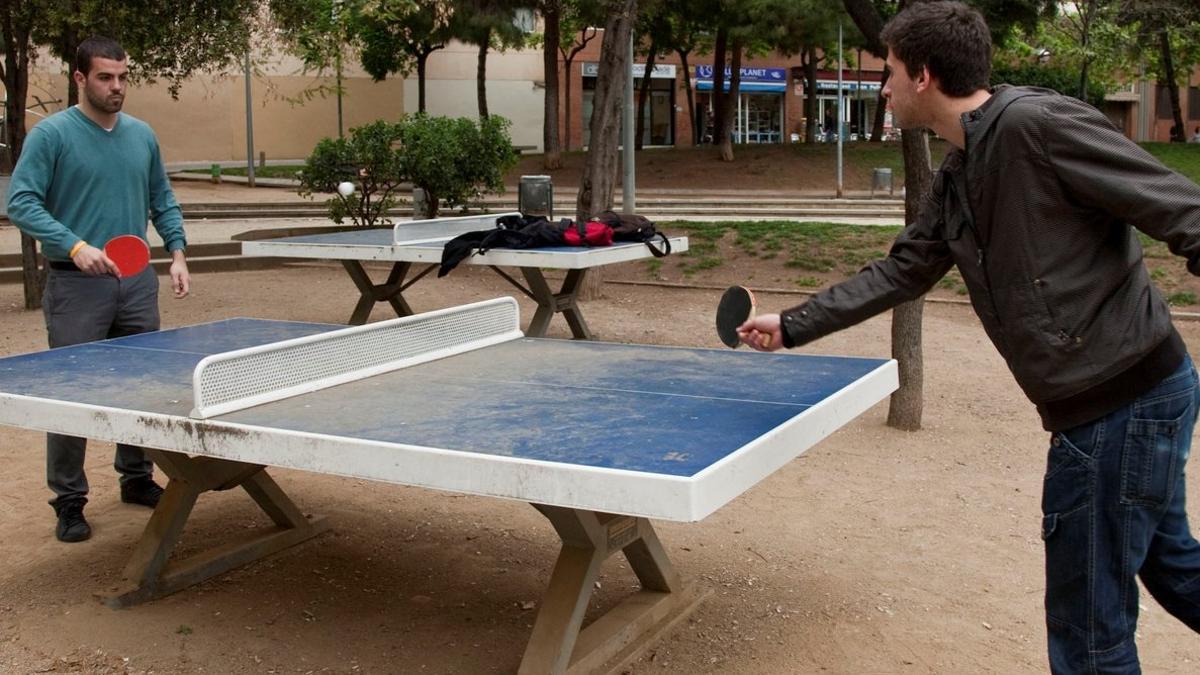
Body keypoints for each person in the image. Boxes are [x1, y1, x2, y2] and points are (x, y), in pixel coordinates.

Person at [738, 2, 1200, 672]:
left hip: (1117, 404)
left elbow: (1179, 206)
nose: (884, 87)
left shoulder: (1037, 125)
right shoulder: (958, 175)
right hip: (1120, 398)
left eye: (890, 72)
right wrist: (794, 323)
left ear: (923, 76)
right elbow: (905, 268)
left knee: (1088, 631)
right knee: (1173, 566)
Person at [6, 36, 190, 543]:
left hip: (135, 284)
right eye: (105, 77)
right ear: (80, 78)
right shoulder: (52, 135)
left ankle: (136, 477)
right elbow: (20, 202)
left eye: (123, 77)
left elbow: (162, 198)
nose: (117, 87)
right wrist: (75, 244)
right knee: (72, 394)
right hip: (74, 285)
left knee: (142, 387)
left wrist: (176, 252)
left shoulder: (142, 136)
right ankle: (68, 500)